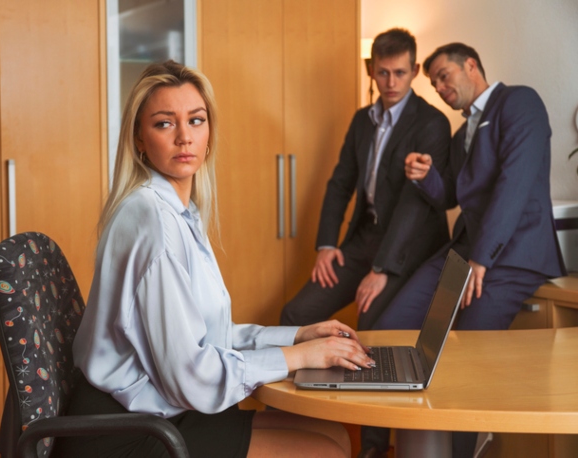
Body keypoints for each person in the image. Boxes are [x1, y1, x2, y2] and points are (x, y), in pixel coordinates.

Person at [55, 60, 377, 458]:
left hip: (162, 407)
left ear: (209, 134)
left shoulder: (180, 212)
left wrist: (297, 336)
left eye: (195, 121)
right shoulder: (152, 220)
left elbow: (207, 337)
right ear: (139, 138)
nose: (184, 138)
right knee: (324, 451)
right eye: (164, 123)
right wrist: (299, 358)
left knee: (335, 437)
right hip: (127, 429)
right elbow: (192, 376)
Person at [375, 42, 567, 458]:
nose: (440, 88)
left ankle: (465, 447)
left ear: (472, 65)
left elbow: (512, 186)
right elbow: (452, 197)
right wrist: (427, 177)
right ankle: (396, 442)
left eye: (444, 76)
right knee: (391, 325)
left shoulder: (519, 102)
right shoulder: (463, 132)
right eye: (434, 83)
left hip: (513, 254)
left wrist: (482, 259)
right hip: (464, 252)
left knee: (466, 358)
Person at [280, 28, 450, 333]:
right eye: (383, 73)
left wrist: (381, 269)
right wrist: (327, 244)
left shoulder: (432, 123)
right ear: (371, 70)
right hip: (363, 239)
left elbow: (414, 205)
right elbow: (340, 184)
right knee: (296, 313)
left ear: (415, 71)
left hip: (410, 244)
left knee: (371, 325)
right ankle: (308, 379)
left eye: (400, 72)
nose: (391, 82)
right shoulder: (362, 120)